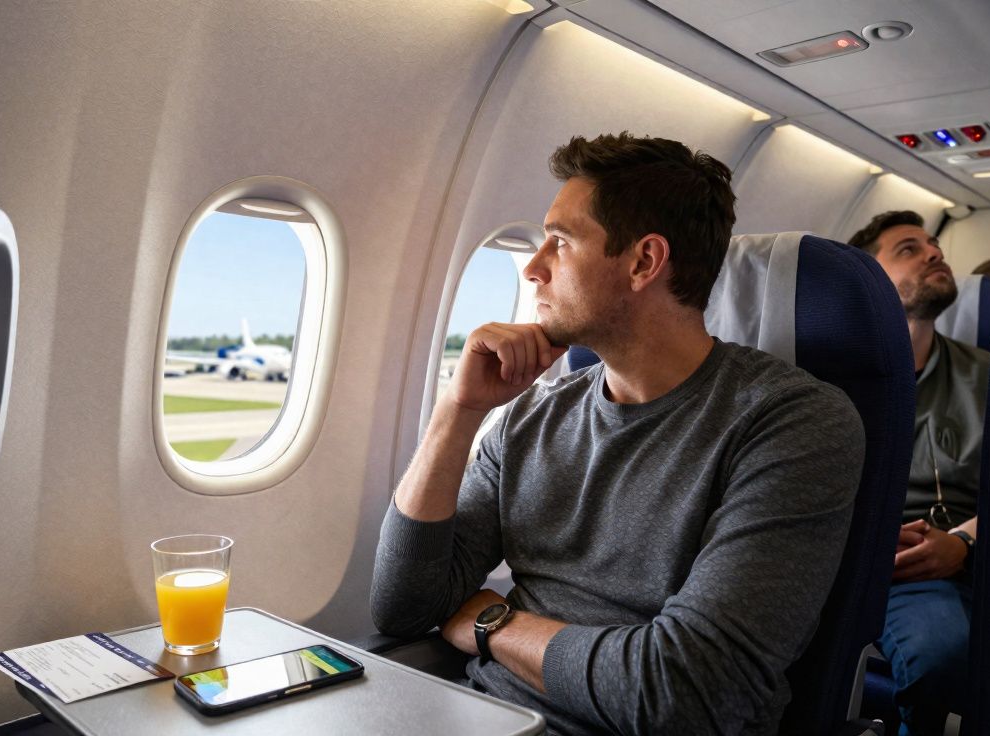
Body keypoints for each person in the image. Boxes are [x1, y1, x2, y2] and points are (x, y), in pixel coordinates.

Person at [371, 133, 865, 735]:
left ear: (643, 262)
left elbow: (686, 692)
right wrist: (459, 409)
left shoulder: (790, 423)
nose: (533, 268)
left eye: (560, 241)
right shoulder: (533, 416)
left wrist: (490, 624)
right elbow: (404, 606)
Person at [848, 211, 988, 736]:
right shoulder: (824, 375)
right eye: (908, 248)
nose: (934, 252)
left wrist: (963, 545)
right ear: (867, 277)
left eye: (933, 244)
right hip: (870, 558)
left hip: (972, 555)